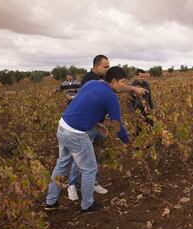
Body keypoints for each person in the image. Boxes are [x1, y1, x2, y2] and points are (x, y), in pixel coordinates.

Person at [45, 66, 130, 213]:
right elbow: (117, 125)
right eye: (122, 82)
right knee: (89, 168)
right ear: (114, 80)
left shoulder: (92, 83)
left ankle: (50, 202)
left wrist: (96, 123)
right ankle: (87, 205)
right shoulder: (111, 97)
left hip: (63, 125)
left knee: (62, 164)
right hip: (76, 133)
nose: (124, 86)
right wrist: (127, 141)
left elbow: (82, 105)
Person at [67, 55, 148, 200]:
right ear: (96, 65)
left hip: (95, 125)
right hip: (85, 127)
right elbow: (85, 103)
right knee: (81, 158)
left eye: (108, 66)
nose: (107, 68)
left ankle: (92, 182)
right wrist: (126, 140)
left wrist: (134, 88)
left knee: (94, 154)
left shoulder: (104, 81)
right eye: (105, 66)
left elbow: (116, 88)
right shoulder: (89, 80)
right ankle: (73, 185)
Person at [128, 69, 154, 133]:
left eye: (144, 77)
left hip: (147, 110)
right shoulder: (132, 86)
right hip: (138, 112)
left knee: (150, 127)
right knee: (139, 130)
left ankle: (149, 141)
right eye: (141, 77)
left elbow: (149, 97)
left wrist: (152, 107)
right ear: (136, 76)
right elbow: (130, 101)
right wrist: (133, 113)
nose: (143, 78)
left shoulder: (146, 84)